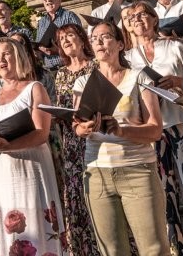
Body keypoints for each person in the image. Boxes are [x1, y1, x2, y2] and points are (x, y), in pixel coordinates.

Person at [119, 1, 183, 256]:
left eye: (143, 15)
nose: (137, 20)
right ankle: (175, 250)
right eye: (132, 17)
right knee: (163, 197)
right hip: (152, 134)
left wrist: (177, 82)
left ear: (154, 20)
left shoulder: (175, 47)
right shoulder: (127, 59)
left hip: (182, 125)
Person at [72, 20, 170, 256]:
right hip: (97, 173)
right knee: (112, 251)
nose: (98, 42)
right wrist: (85, 128)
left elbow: (155, 129)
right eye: (94, 38)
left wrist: (121, 130)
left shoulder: (138, 78)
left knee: (153, 249)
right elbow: (77, 127)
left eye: (105, 37)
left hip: (137, 169)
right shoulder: (83, 82)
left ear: (119, 44)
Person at [0, 38, 65, 256]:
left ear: (18, 56)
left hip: (31, 171)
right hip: (3, 172)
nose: (1, 59)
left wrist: (9, 146)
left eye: (6, 54)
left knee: (35, 227)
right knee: (10, 234)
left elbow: (41, 133)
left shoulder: (35, 89)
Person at [51, 23, 99, 256]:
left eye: (70, 35)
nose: (66, 40)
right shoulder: (60, 74)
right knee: (77, 195)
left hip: (97, 135)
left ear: (82, 39)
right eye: (61, 39)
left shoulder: (96, 66)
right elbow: (61, 107)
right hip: (71, 142)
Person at [34, 0, 84, 71]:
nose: (48, 0)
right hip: (49, 70)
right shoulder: (41, 22)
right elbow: (39, 45)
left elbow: (81, 41)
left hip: (69, 67)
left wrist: (58, 50)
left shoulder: (69, 16)